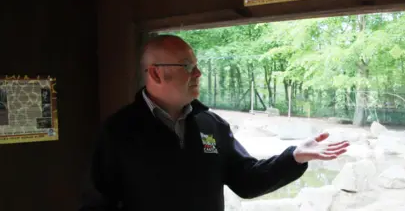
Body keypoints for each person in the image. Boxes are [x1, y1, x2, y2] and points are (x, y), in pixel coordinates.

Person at [79, 34, 349, 211]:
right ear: (155, 73)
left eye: (196, 64)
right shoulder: (119, 131)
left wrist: (294, 157)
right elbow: (97, 204)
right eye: (186, 66)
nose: (198, 72)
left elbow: (247, 180)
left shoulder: (212, 125)